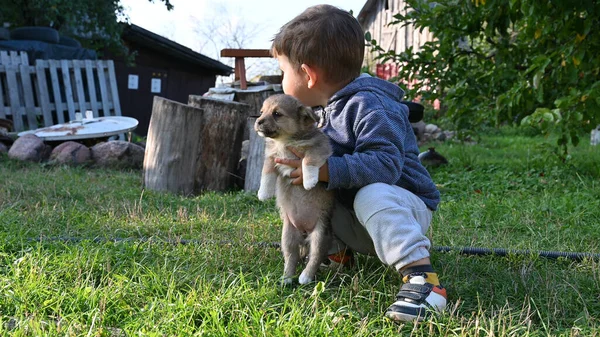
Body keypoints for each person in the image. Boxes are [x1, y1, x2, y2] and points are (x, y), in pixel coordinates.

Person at [269, 4, 447, 322]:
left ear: (308, 75)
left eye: (284, 71)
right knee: (312, 192)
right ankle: (335, 254)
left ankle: (423, 280)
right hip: (361, 215)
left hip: (401, 208)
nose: (282, 79)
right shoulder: (322, 112)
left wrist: (326, 169)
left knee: (369, 193)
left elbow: (385, 165)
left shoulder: (369, 105)